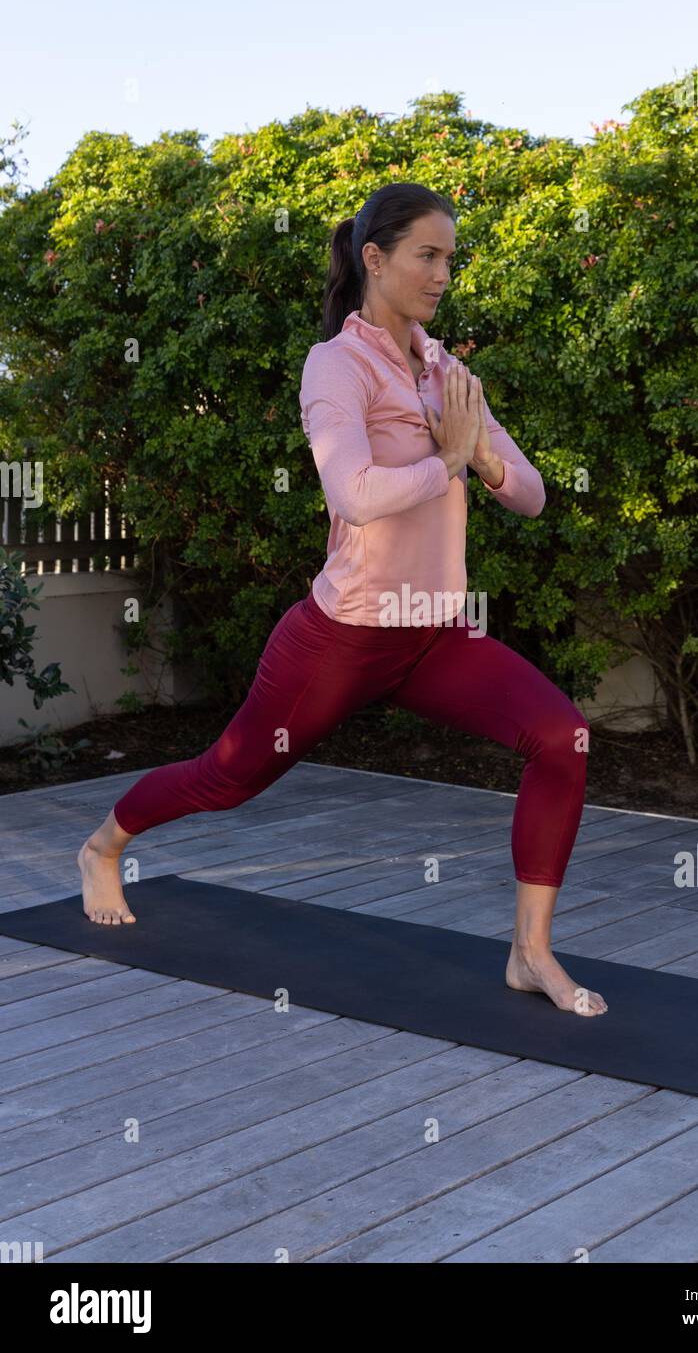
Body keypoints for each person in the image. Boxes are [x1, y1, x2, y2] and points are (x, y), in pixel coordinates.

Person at [77, 181, 607, 1017]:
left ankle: (528, 953)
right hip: (344, 635)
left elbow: (532, 494)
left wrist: (481, 457)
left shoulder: (446, 371)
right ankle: (104, 846)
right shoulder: (336, 365)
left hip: (431, 634)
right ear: (375, 258)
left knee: (560, 736)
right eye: (426, 256)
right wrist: (446, 462)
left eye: (448, 259)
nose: (441, 274)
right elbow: (353, 491)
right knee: (229, 775)